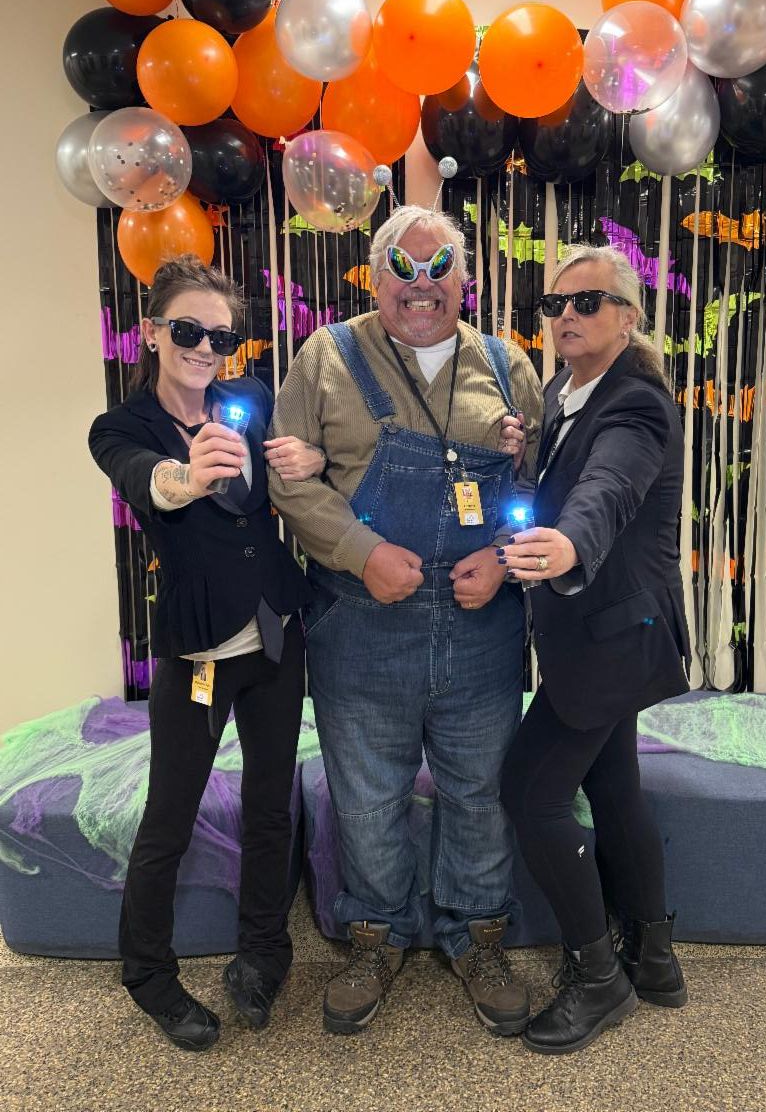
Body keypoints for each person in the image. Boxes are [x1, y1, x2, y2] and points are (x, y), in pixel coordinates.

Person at [269, 205, 544, 1037]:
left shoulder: (508, 364)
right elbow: (287, 478)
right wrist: (360, 551)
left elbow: (544, 485)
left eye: (439, 267)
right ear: (374, 274)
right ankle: (376, 937)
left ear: (467, 279)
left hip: (481, 625)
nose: (421, 285)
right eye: (403, 267)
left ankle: (477, 937)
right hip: (359, 624)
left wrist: (503, 557)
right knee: (365, 798)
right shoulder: (324, 356)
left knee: (480, 794)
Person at [88, 256, 324, 1051]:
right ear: (153, 333)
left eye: (221, 337)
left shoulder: (248, 399)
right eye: (188, 330)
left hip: (276, 633)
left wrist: (308, 462)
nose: (204, 348)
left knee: (270, 805)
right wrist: (183, 478)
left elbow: (290, 474)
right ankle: (148, 974)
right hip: (198, 654)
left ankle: (265, 951)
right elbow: (144, 479)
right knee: (171, 815)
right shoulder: (120, 427)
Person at [498, 244, 691, 1055]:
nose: (567, 316)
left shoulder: (637, 402)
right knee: (613, 786)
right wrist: (524, 458)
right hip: (604, 634)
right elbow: (564, 478)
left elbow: (607, 487)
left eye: (587, 302)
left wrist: (571, 544)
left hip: (613, 640)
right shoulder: (561, 392)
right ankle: (655, 960)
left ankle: (599, 975)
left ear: (628, 316)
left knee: (529, 791)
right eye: (555, 305)